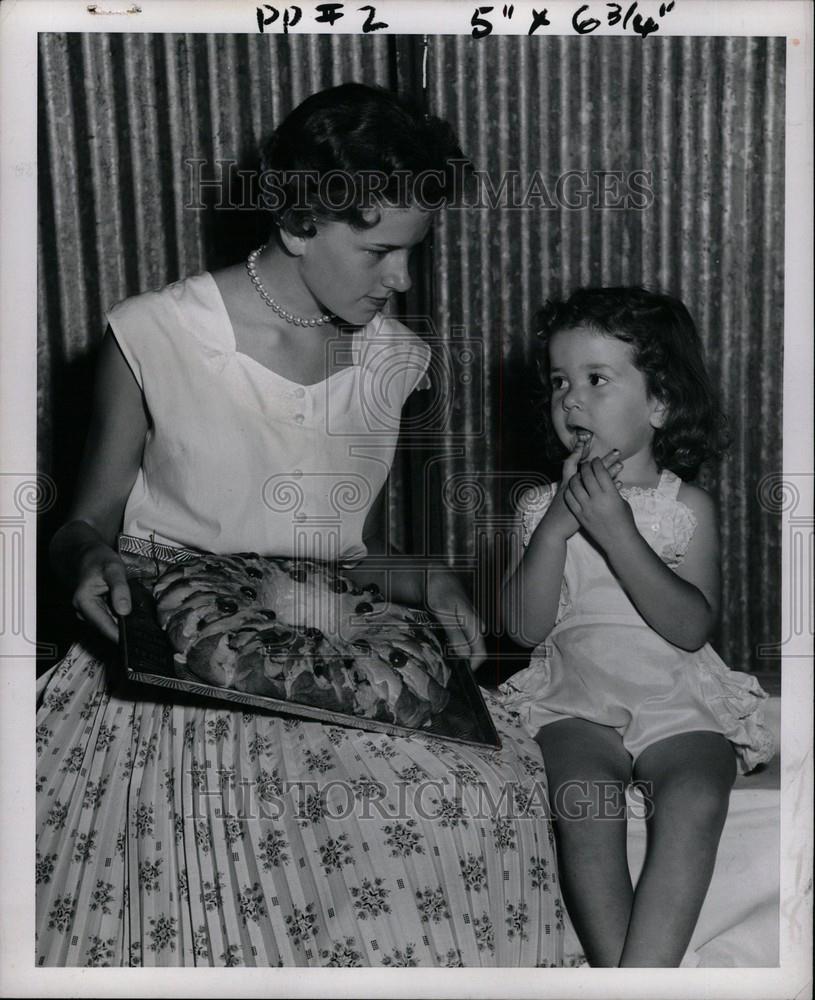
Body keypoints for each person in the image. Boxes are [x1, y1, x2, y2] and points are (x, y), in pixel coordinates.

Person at [36, 83, 563, 968]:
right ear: (297, 224)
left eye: (411, 253)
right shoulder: (155, 332)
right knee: (234, 860)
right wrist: (89, 554)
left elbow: (342, 550)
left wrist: (427, 576)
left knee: (487, 809)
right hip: (174, 664)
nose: (399, 280)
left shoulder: (397, 358)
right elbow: (82, 518)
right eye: (378, 252)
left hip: (332, 653)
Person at [498, 286, 776, 968]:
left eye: (596, 380)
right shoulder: (537, 508)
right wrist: (557, 530)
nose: (571, 400)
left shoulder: (685, 507)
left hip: (675, 697)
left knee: (695, 794)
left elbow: (690, 627)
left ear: (658, 403)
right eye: (560, 382)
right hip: (575, 701)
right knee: (583, 805)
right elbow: (522, 629)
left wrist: (618, 532)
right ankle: (629, 978)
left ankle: (641, 976)